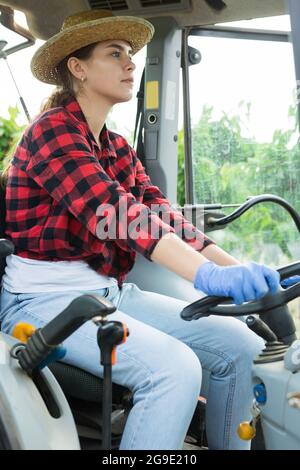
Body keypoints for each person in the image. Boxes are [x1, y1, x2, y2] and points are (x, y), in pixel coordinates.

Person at [0, 9, 281, 450]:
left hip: (108, 294)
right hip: (43, 302)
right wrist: (208, 278)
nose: (131, 63)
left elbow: (163, 215)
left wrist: (239, 269)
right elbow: (118, 213)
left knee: (243, 348)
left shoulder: (115, 147)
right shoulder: (51, 133)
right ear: (78, 67)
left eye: (131, 53)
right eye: (115, 54)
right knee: (174, 370)